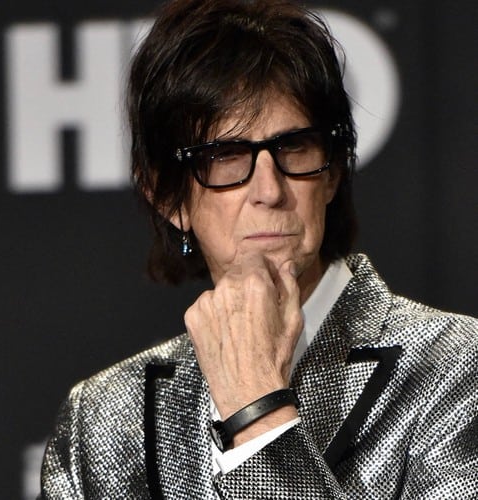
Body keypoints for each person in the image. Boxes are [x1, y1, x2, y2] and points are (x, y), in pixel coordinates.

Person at [40, 0, 478, 498]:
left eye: (294, 147)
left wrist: (257, 412)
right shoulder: (101, 420)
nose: (269, 190)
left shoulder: (455, 368)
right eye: (225, 156)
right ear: (166, 197)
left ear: (332, 172)